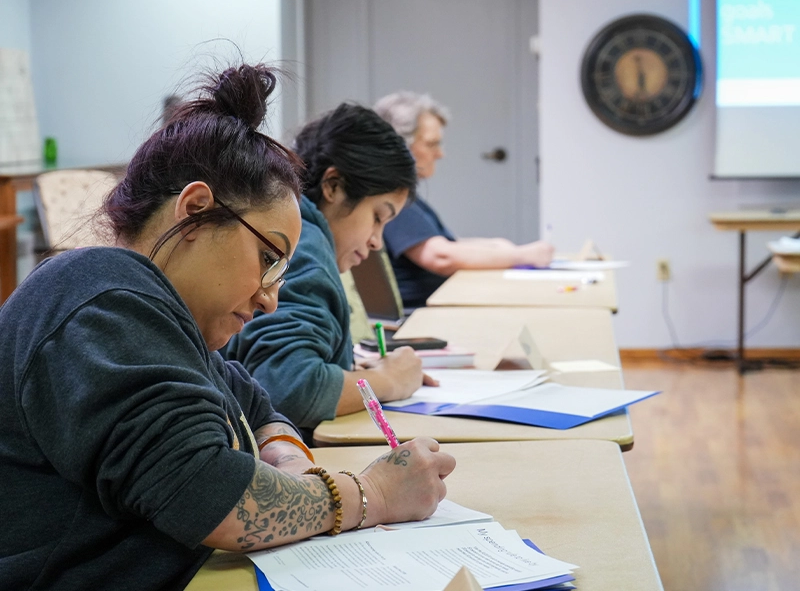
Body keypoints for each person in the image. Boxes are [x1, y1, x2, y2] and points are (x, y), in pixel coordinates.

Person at [0, 64, 455, 590]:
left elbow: (259, 405)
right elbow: (210, 497)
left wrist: (287, 458)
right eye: (267, 256)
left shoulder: (161, 316)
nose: (269, 298)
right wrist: (372, 494)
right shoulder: (103, 300)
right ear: (194, 212)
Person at [225, 103, 436, 436]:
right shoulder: (306, 248)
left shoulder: (306, 236)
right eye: (377, 217)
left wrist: (347, 373)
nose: (377, 242)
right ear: (333, 186)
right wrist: (387, 381)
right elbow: (288, 388)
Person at [374, 91, 556, 308]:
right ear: (399, 146)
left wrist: (495, 246)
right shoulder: (392, 198)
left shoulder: (407, 198)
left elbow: (448, 242)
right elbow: (442, 256)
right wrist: (522, 255)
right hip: (417, 321)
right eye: (432, 144)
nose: (440, 154)